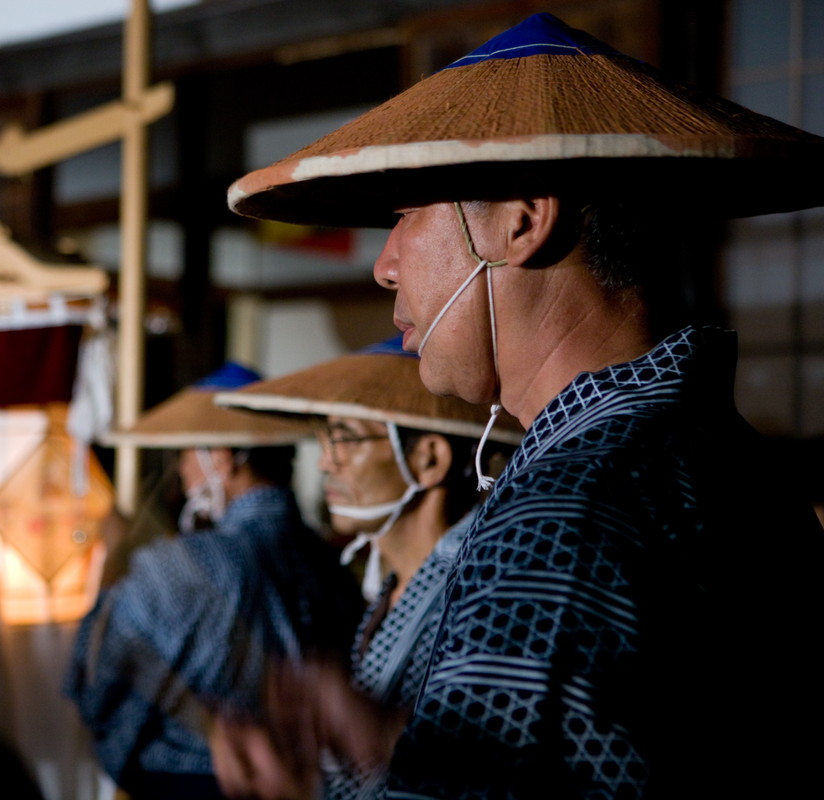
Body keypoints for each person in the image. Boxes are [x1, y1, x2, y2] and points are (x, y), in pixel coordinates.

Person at [214, 12, 824, 800]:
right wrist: (397, 742)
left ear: (521, 218)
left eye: (406, 213)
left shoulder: (567, 512)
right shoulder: (723, 457)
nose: (385, 266)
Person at [215, 336, 521, 799]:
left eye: (346, 438)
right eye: (325, 439)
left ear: (429, 459)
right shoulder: (398, 585)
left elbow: (492, 762)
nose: (325, 461)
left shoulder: (481, 590)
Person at [63, 362, 366, 800]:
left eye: (188, 453)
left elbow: (92, 676)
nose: (183, 472)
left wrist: (113, 560)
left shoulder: (190, 562)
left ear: (220, 459)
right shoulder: (331, 560)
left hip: (194, 780)